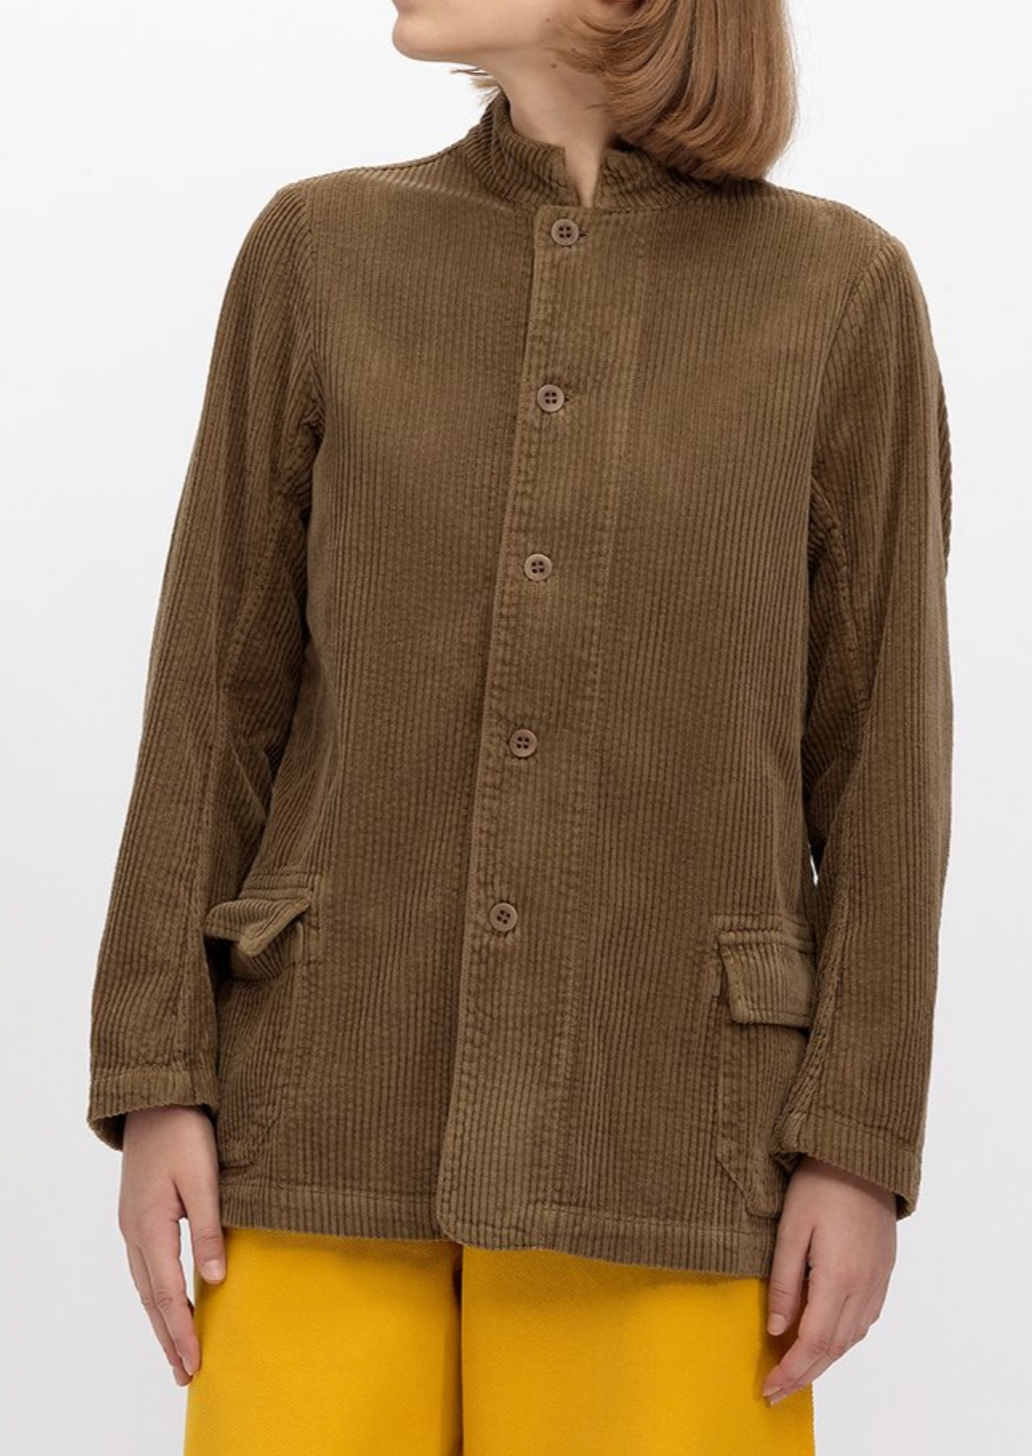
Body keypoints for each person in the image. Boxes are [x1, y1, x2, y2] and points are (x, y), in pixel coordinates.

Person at [86, 3, 953, 1453]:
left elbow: (884, 767)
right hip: (319, 1111)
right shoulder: (318, 253)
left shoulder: (840, 294)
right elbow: (210, 703)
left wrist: (856, 1147)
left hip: (674, 1134)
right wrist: (157, 1078)